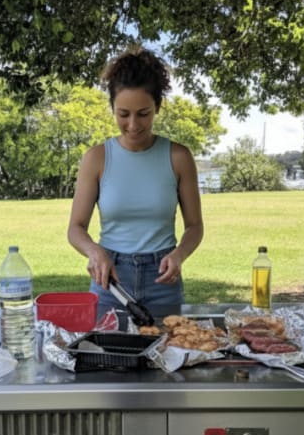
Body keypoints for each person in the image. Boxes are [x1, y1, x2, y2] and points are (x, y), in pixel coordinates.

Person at [67, 47, 204, 318]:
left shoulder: (178, 157)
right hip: (111, 280)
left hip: (163, 280)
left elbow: (195, 226)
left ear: (157, 107)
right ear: (113, 109)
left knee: (166, 356)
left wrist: (178, 256)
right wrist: (94, 252)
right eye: (123, 114)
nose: (132, 125)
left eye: (143, 113)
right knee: (108, 358)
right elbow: (75, 228)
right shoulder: (97, 158)